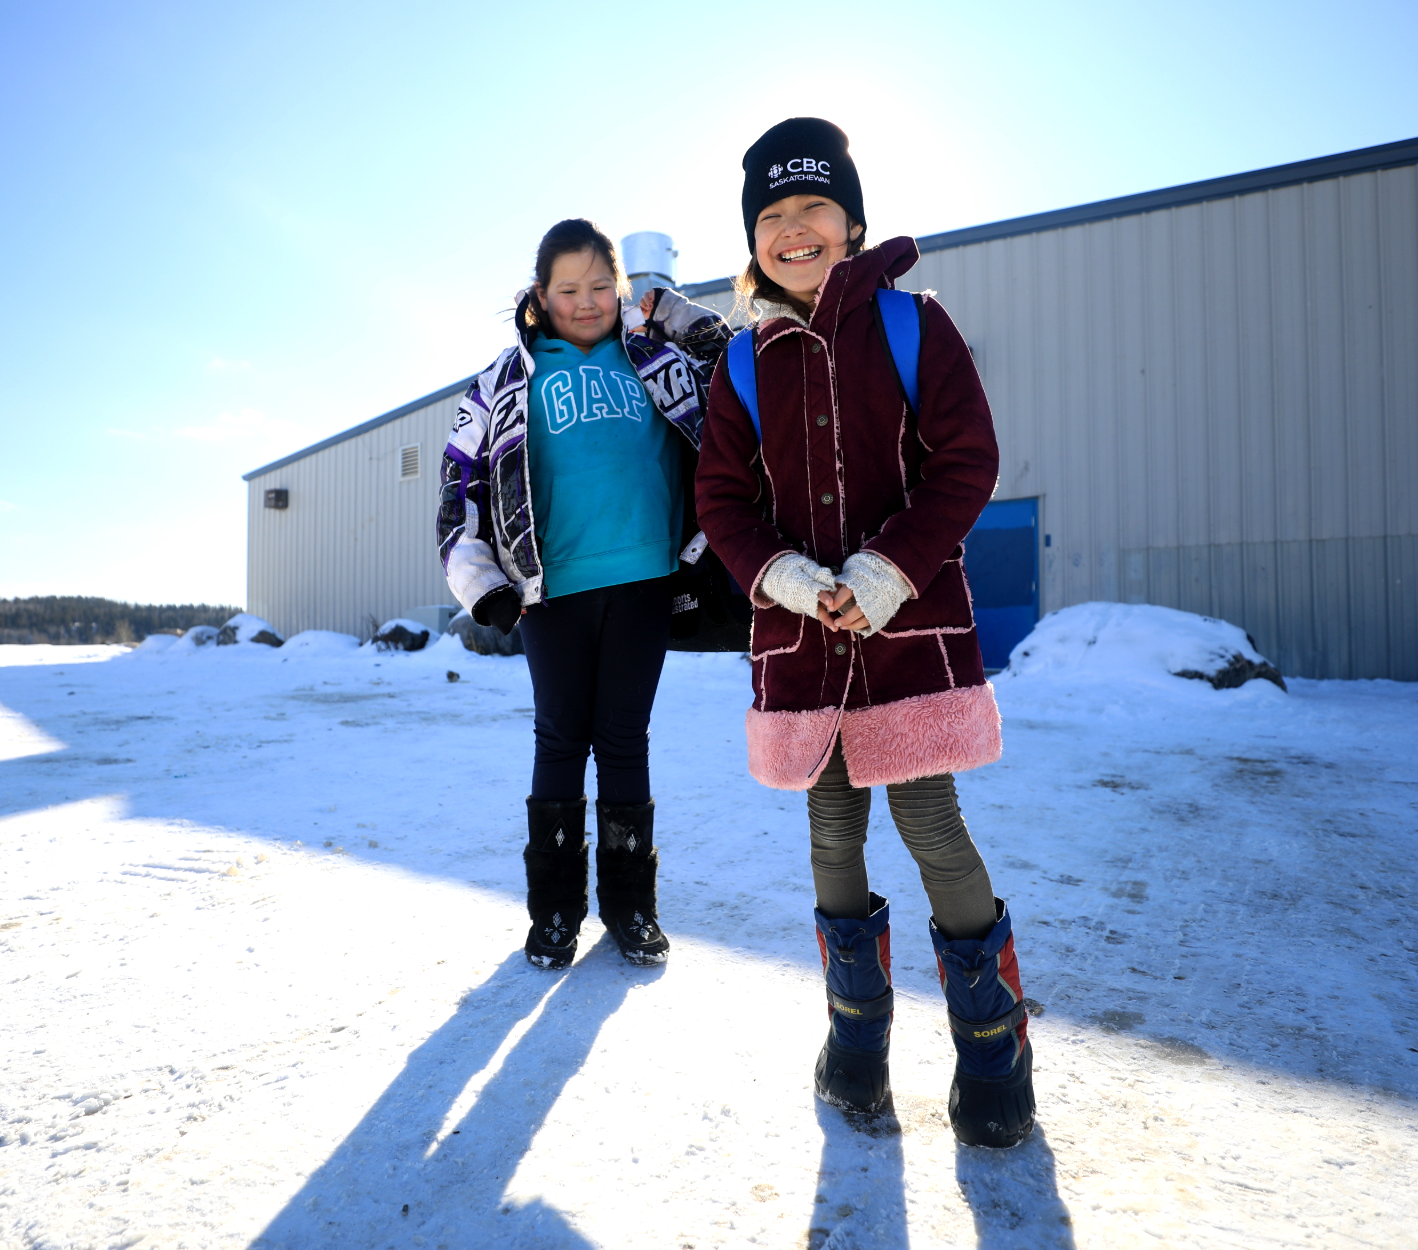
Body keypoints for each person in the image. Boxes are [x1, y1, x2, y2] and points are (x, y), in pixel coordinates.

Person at [694, 119, 1036, 1147]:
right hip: (805, 647)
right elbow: (720, 500)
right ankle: (856, 1037)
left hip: (908, 631)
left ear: (852, 220)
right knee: (831, 830)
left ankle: (993, 1044)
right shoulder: (744, 365)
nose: (793, 229)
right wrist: (788, 579)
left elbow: (965, 461)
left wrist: (886, 572)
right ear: (752, 239)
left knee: (932, 826)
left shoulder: (911, 324)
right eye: (771, 215)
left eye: (813, 208)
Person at [438, 218, 730, 969]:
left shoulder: (656, 357)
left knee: (625, 740)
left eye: (603, 287)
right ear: (541, 294)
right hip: (550, 592)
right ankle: (556, 912)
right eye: (568, 289)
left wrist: (665, 309)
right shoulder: (509, 378)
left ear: (624, 290)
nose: (587, 301)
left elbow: (730, 363)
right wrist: (483, 586)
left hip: (644, 581)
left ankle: (632, 907)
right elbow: (457, 485)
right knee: (562, 740)